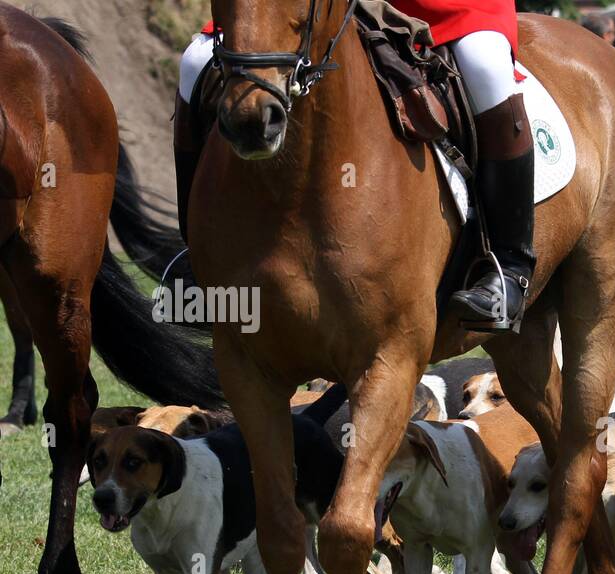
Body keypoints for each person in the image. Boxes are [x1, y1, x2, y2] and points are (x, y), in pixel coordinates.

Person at [173, 0, 535, 332]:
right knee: (195, 61)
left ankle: (508, 265)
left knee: (483, 63)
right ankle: (197, 262)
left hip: (444, 6)